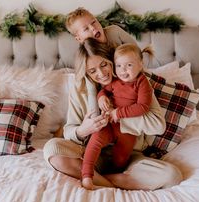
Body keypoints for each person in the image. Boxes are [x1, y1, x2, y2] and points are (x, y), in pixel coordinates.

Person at [43, 38, 182, 190]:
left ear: (112, 61)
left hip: (130, 154)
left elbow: (158, 125)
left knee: (172, 176)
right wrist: (84, 129)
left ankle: (101, 180)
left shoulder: (137, 81)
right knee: (52, 148)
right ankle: (109, 181)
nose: (101, 73)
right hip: (93, 153)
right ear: (86, 72)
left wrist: (118, 117)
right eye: (92, 70)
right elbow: (69, 131)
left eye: (104, 65)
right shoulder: (79, 89)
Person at [81, 42, 154, 190]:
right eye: (119, 66)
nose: (123, 70)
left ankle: (111, 175)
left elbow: (143, 107)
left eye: (129, 65)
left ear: (140, 65)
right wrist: (101, 97)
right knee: (95, 140)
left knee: (121, 157)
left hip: (127, 129)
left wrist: (118, 113)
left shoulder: (142, 83)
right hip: (108, 124)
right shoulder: (116, 80)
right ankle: (87, 176)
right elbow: (105, 91)